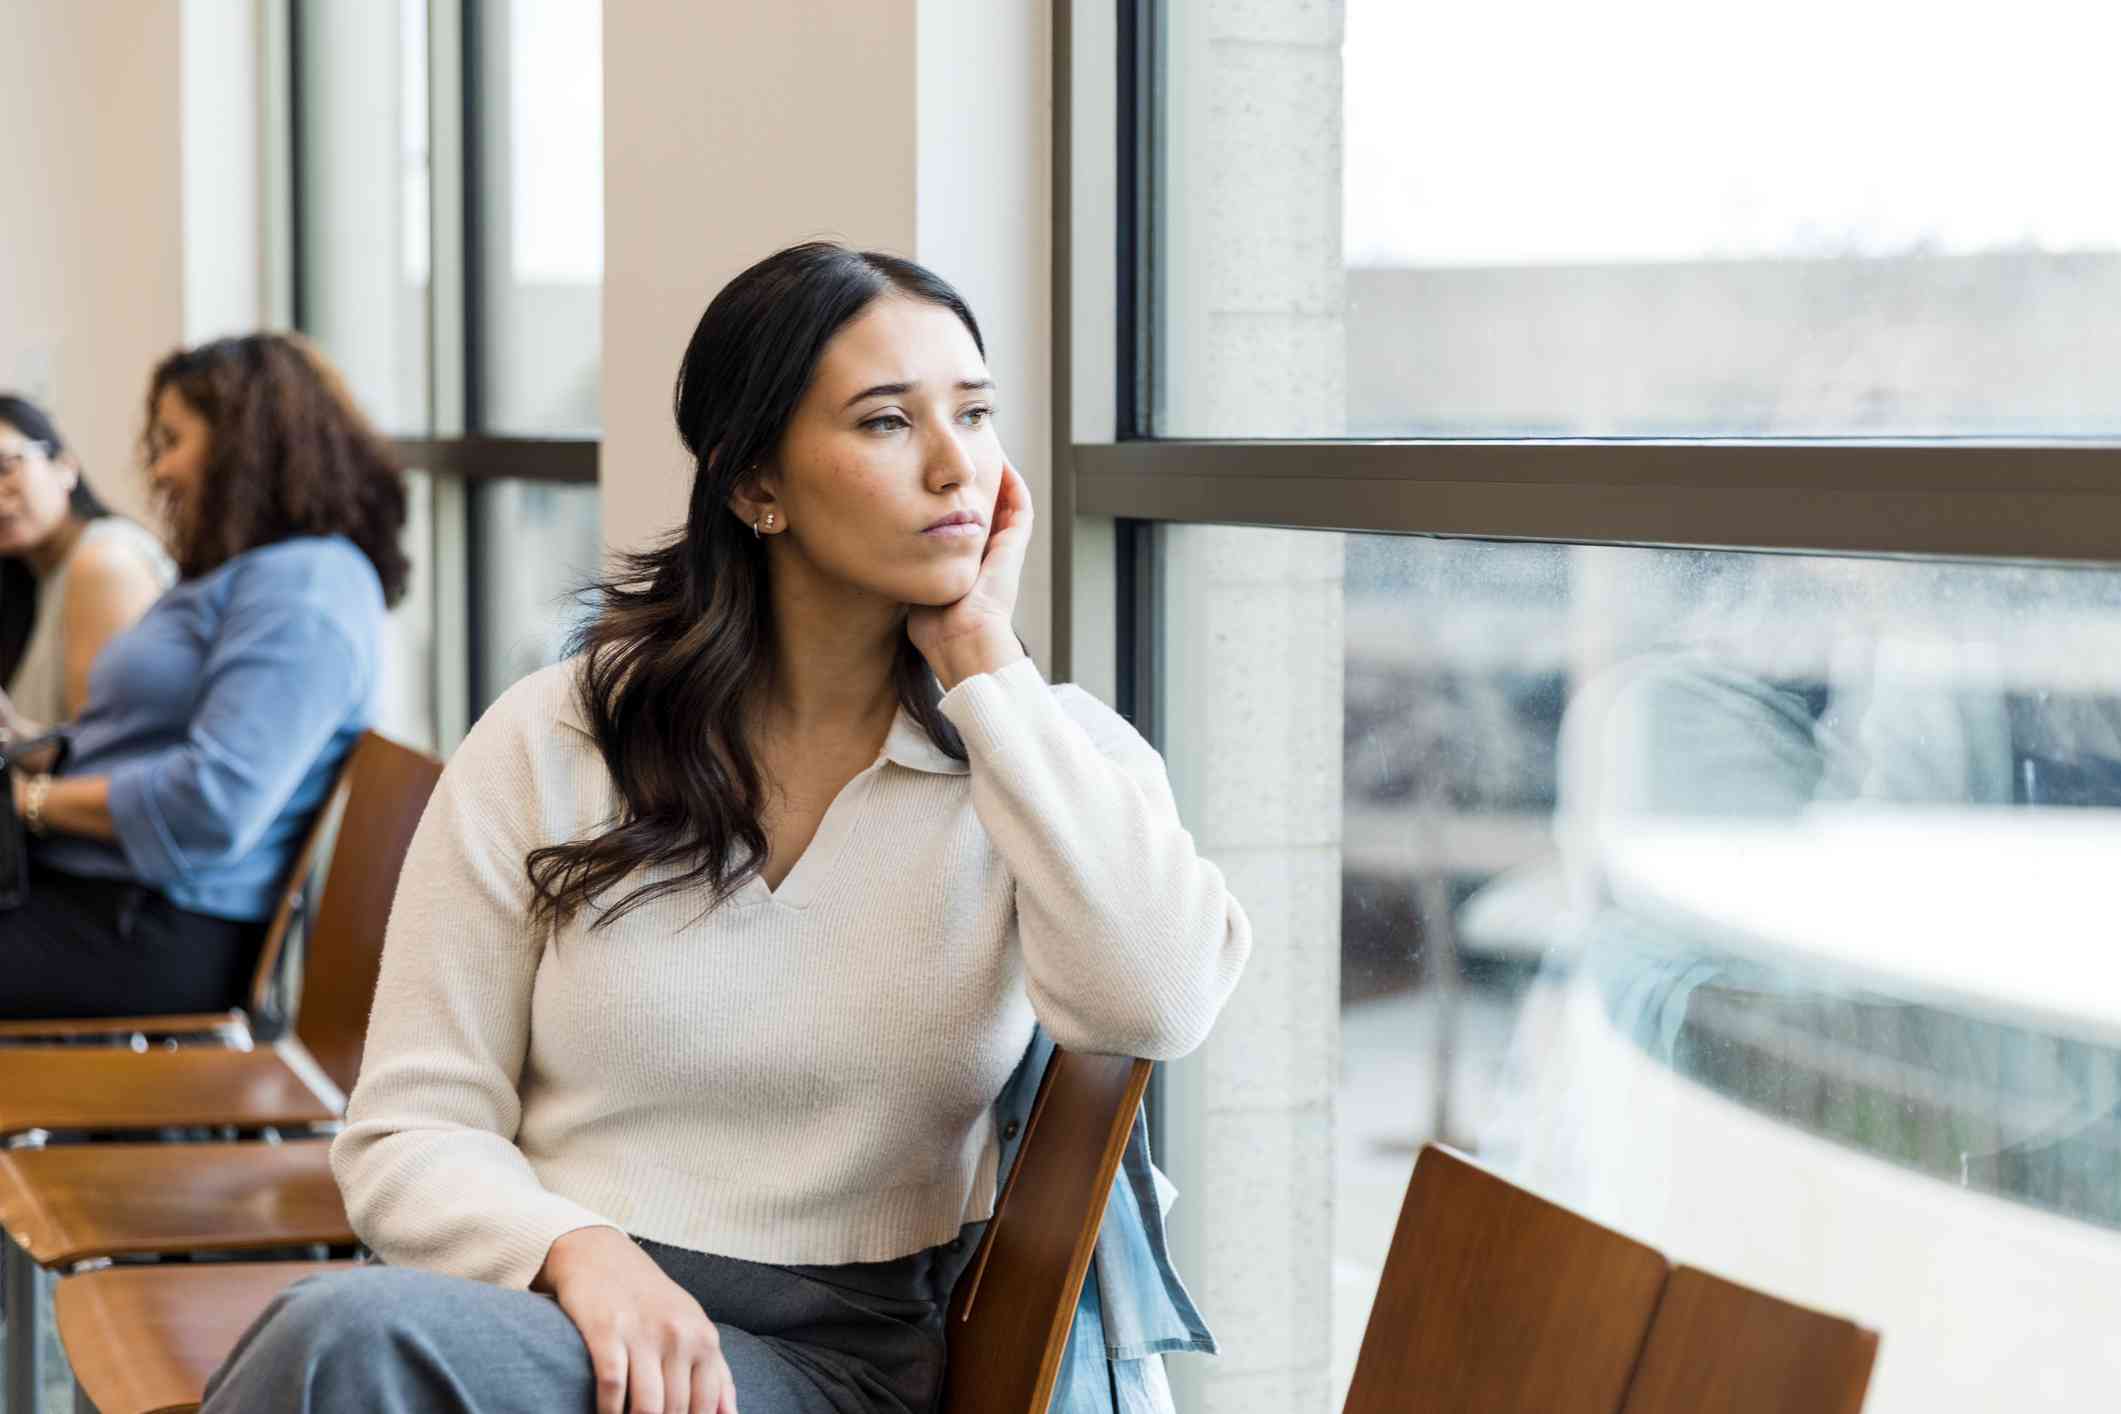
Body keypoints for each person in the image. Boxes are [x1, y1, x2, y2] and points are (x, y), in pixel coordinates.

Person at [200, 243, 1252, 1414]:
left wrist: (976, 659)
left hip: (831, 1366)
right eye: (888, 422)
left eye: (977, 411)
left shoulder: (1044, 753)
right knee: (343, 1343)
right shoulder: (562, 734)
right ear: (758, 486)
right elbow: (407, 1128)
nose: (957, 464)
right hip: (552, 1301)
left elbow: (1157, 999)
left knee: (343, 1349)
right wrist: (575, 1248)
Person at [0, 334, 409, 1021]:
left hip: (152, 928)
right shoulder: (254, 576)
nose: (156, 470)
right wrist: (41, 751)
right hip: (103, 896)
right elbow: (153, 744)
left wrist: (29, 802)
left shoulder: (306, 591)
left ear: (244, 442)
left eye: (171, 441)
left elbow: (213, 802)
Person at [0, 394, 175, 726]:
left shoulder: (105, 559)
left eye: (5, 466)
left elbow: (103, 750)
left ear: (65, 467)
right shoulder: (28, 579)